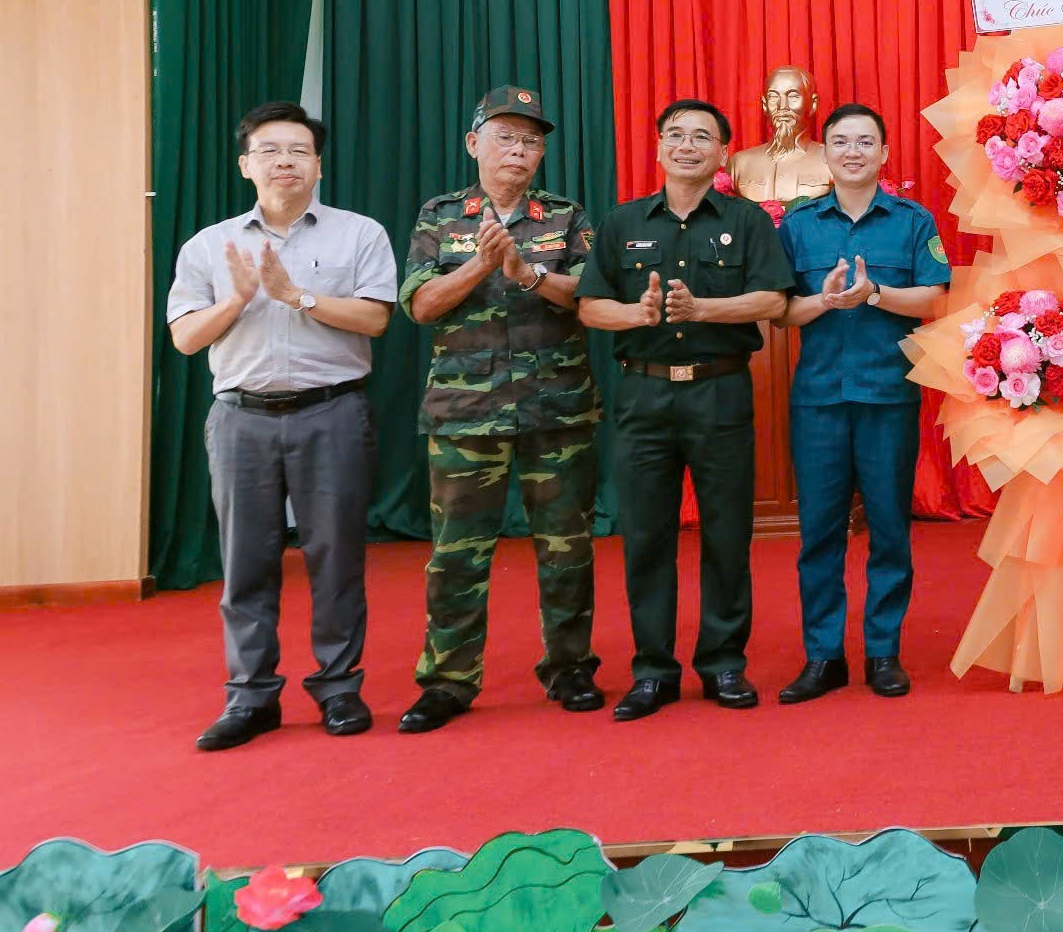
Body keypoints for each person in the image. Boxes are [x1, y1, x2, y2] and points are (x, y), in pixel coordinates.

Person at [166, 102, 397, 750]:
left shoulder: (360, 234)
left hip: (333, 411)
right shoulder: (209, 245)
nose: (284, 161)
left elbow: (376, 319)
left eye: (298, 150)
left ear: (318, 165)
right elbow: (185, 337)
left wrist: (296, 295)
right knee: (245, 562)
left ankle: (339, 688)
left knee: (336, 556)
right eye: (268, 150)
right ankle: (250, 697)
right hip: (241, 418)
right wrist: (239, 299)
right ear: (246, 165)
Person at [394, 87, 603, 735]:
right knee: (456, 554)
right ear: (473, 143)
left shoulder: (565, 215)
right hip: (466, 412)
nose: (519, 149)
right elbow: (419, 305)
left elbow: (591, 297)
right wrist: (481, 265)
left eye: (531, 140)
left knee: (567, 549)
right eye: (505, 136)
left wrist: (525, 272)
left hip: (556, 408)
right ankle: (448, 680)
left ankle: (570, 666)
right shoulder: (440, 216)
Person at [577, 99, 793, 719]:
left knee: (727, 533)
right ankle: (653, 670)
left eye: (702, 136)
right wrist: (637, 314)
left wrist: (702, 310)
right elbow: (590, 306)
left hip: (718, 391)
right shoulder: (621, 222)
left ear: (723, 152)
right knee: (646, 536)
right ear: (658, 148)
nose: (687, 145)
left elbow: (774, 301)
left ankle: (724, 663)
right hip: (643, 395)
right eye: (675, 134)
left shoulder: (747, 220)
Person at [775, 103, 952, 704]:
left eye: (865, 142)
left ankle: (883, 652)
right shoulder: (798, 225)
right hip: (818, 400)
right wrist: (824, 301)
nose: (853, 152)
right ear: (825, 153)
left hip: (887, 397)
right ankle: (823, 657)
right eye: (841, 142)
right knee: (819, 534)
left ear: (884, 154)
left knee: (889, 529)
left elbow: (933, 299)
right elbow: (782, 312)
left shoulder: (912, 220)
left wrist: (874, 293)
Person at [726, 64, 833, 215]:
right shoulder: (739, 163)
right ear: (764, 105)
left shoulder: (831, 160)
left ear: (813, 104)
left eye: (793, 96)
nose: (782, 106)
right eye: (773, 96)